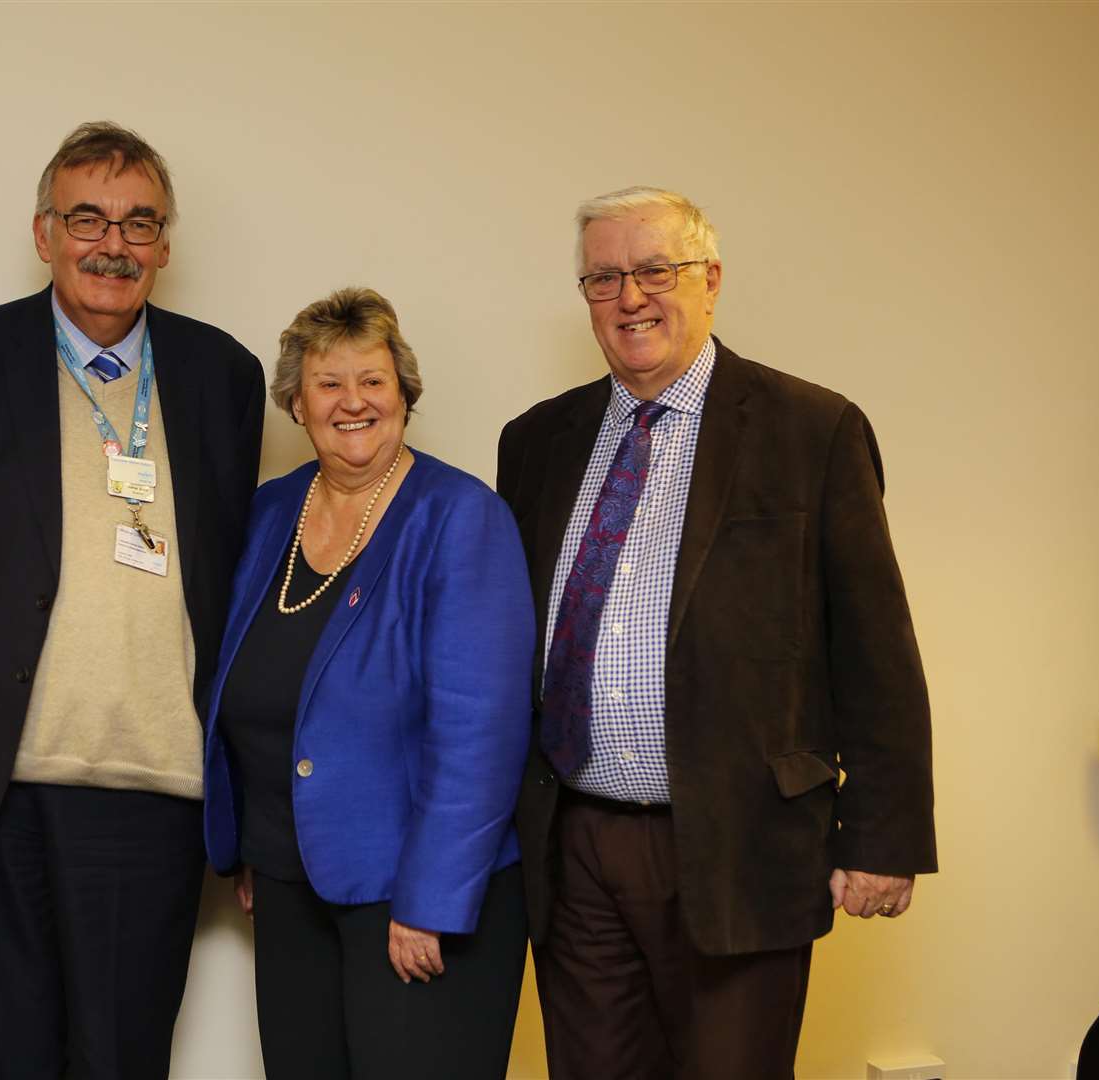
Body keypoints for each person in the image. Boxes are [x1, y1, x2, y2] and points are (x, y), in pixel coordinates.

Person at [497, 186, 937, 1077]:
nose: (631, 297)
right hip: (573, 844)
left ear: (712, 280)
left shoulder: (812, 431)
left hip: (740, 840)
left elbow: (875, 647)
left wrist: (883, 836)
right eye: (604, 277)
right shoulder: (537, 441)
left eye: (655, 270)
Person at [0, 121, 265, 1078]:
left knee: (121, 1060)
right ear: (43, 232)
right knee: (4, 1061)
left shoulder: (222, 375)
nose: (114, 244)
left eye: (140, 223)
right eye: (87, 219)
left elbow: (234, 585)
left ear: (167, 246)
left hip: (156, 787)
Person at [204, 287, 535, 1079]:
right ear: (296, 403)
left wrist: (430, 900)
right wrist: (255, 837)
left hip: (414, 896)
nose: (353, 402)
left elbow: (481, 733)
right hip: (289, 879)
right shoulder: (268, 514)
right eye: (328, 383)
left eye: (373, 381)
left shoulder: (461, 517)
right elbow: (251, 686)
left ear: (404, 394)